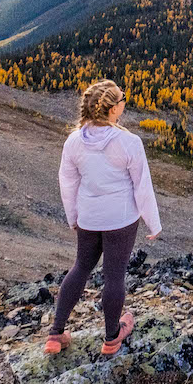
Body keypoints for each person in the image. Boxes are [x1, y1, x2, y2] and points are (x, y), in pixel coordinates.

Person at [46, 78, 162, 355]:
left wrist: (73, 216)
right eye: (122, 100)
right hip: (120, 219)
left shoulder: (74, 141)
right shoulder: (129, 142)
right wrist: (153, 223)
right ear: (112, 110)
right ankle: (111, 337)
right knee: (114, 276)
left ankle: (55, 334)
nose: (124, 103)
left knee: (81, 267)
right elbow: (141, 185)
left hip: (88, 217)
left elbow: (68, 182)